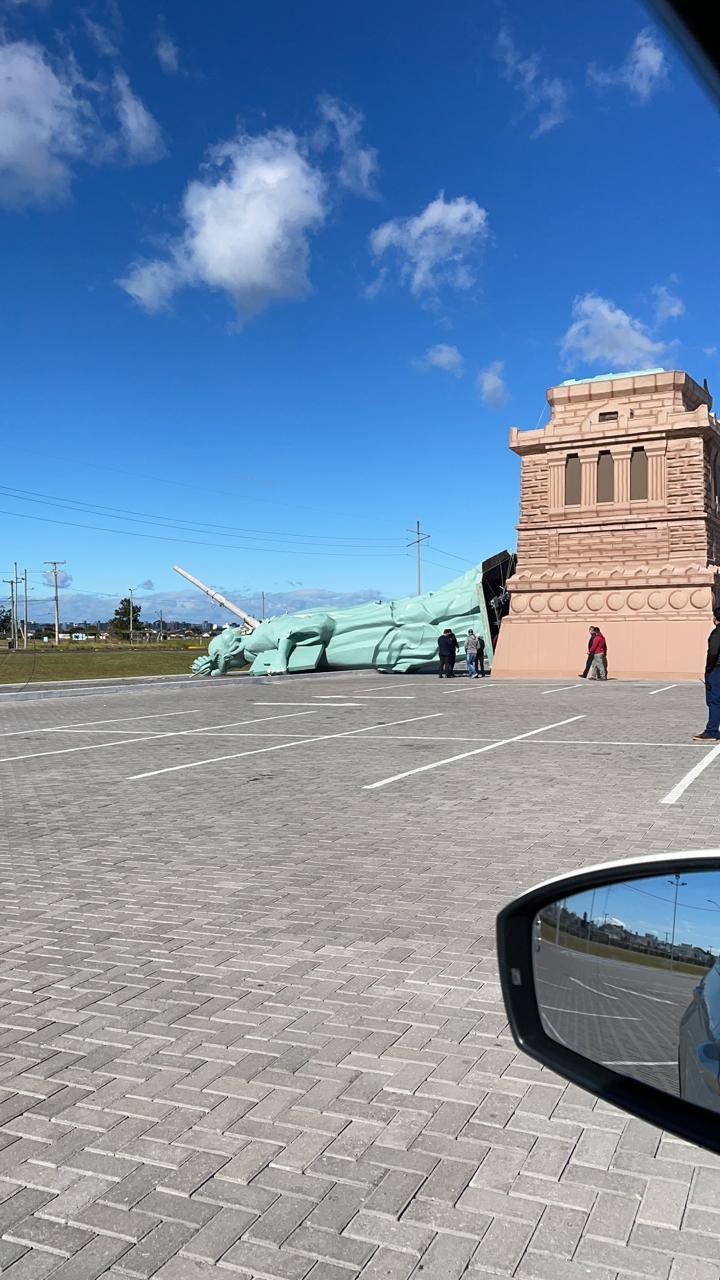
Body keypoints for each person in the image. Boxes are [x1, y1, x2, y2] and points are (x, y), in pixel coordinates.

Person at [693, 607, 720, 741]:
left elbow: (713, 653)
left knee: (714, 701)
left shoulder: (717, 633)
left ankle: (712, 731)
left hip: (716, 670)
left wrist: (709, 669)